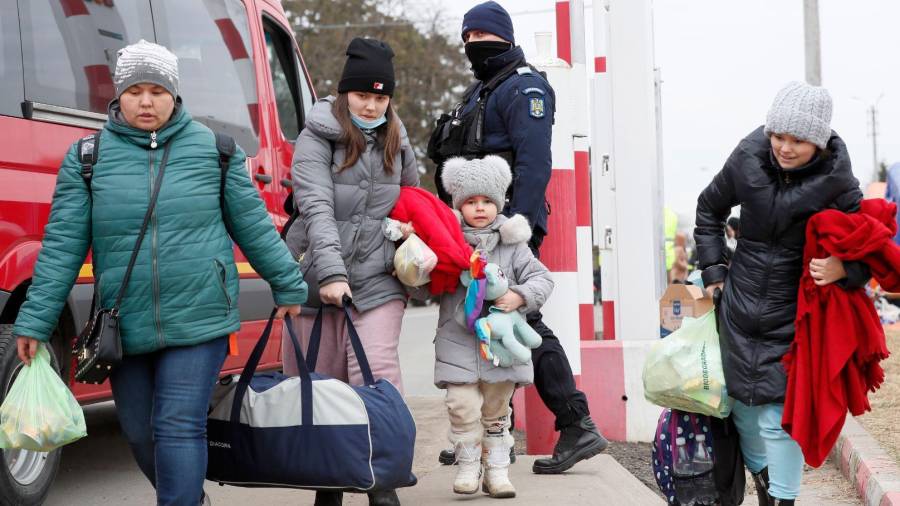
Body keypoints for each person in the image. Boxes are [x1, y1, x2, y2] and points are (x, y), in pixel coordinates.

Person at [12, 40, 308, 506]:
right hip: (124, 322)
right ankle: (189, 497)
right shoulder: (87, 158)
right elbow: (63, 246)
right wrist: (34, 319)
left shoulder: (217, 151)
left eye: (157, 91)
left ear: (175, 93)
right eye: (134, 91)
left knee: (177, 424)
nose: (146, 102)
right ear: (117, 94)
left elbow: (253, 227)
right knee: (138, 431)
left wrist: (288, 283)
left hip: (199, 315)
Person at [429, 1, 607, 474]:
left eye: (481, 38)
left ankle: (575, 422)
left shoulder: (523, 87)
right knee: (483, 325)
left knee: (521, 319)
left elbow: (533, 164)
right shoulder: (482, 89)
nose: (473, 47)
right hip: (477, 231)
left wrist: (518, 229)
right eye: (467, 40)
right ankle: (495, 436)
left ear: (504, 38)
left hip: (508, 229)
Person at [695, 81, 871, 506]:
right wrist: (715, 272)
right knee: (743, 411)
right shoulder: (747, 157)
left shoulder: (838, 180)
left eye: (798, 140)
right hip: (738, 306)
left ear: (819, 140)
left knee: (778, 417)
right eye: (779, 136)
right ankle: (768, 482)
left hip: (795, 314)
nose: (785, 148)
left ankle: (784, 499)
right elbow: (708, 209)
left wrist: (844, 269)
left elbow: (871, 246)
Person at [283, 37, 418, 506]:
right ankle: (330, 481)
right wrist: (331, 274)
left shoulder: (398, 141)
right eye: (363, 95)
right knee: (322, 382)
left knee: (377, 374)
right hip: (317, 273)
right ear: (344, 93)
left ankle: (384, 483)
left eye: (381, 97)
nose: (371, 105)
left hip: (380, 278)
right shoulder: (315, 136)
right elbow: (316, 208)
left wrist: (414, 247)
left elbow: (413, 203)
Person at [430, 155, 553, 498]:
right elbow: (425, 283)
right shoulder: (447, 241)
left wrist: (519, 295)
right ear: (458, 204)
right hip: (458, 339)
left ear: (498, 203)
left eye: (486, 201)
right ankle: (469, 463)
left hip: (501, 345)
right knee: (461, 404)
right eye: (471, 201)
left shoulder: (513, 245)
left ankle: (497, 469)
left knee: (497, 408)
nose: (480, 208)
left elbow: (542, 278)